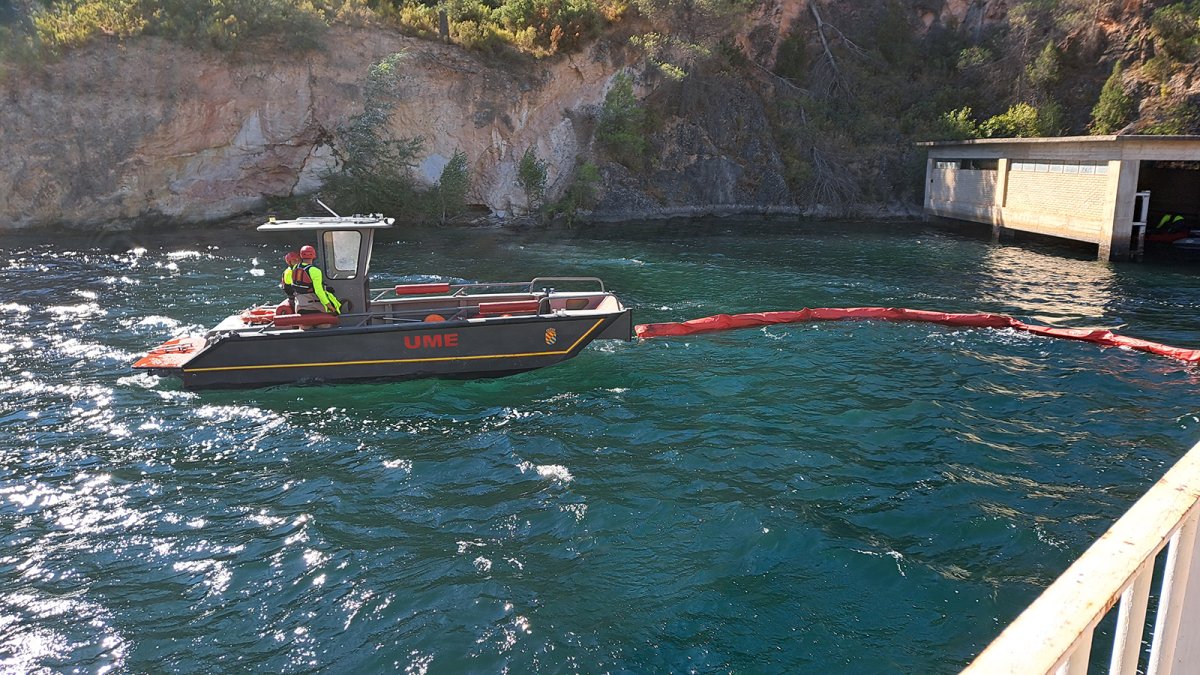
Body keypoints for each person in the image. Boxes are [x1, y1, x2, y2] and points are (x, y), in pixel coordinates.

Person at [291, 245, 342, 315]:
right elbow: (318, 291)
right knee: (325, 324)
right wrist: (330, 306)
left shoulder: (295, 267)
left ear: (301, 255)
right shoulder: (315, 271)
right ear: (314, 255)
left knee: (305, 325)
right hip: (313, 306)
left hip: (299, 305)